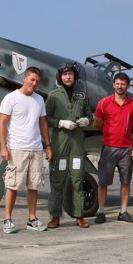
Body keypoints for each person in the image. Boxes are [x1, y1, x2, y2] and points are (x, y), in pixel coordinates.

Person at [0, 66, 52, 234]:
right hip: (17, 149)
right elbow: (2, 123)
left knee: (33, 186)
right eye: (32, 80)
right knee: (13, 185)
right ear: (24, 78)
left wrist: (48, 145)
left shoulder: (39, 100)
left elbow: (43, 123)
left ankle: (32, 218)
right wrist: (3, 147)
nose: (34, 84)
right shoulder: (11, 98)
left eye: (37, 81)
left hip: (35, 149)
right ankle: (7, 219)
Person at [45, 62, 93, 229]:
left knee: (77, 181)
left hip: (77, 145)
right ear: (60, 76)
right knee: (58, 181)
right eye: (65, 74)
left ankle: (79, 216)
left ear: (74, 76)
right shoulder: (53, 96)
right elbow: (46, 118)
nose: (68, 77)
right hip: (61, 144)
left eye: (70, 74)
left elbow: (90, 115)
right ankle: (55, 216)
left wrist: (87, 120)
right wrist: (60, 123)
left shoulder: (82, 96)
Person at [93, 72, 133, 224]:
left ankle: (123, 211)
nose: (120, 86)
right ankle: (101, 211)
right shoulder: (104, 103)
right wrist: (107, 133)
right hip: (108, 147)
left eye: (123, 84)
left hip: (127, 148)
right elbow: (97, 122)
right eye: (118, 83)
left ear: (127, 86)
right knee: (103, 182)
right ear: (113, 84)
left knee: (125, 181)